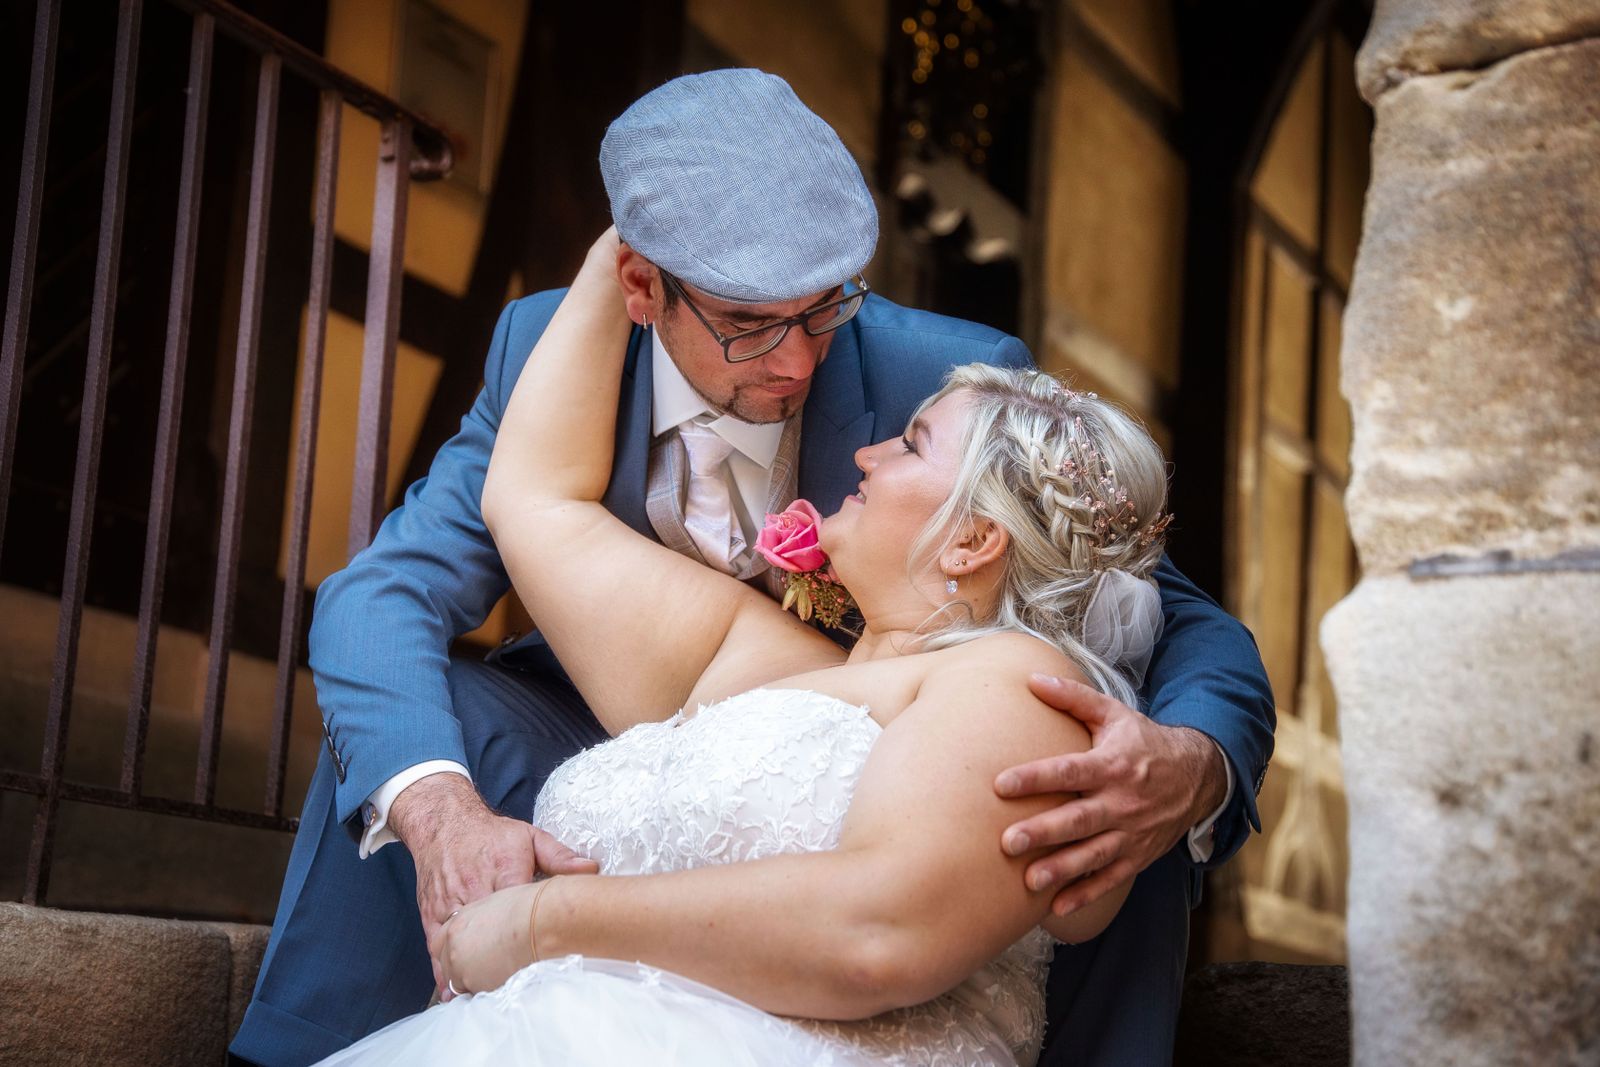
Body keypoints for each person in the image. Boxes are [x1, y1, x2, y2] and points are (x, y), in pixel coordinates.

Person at [229, 69, 1273, 1067]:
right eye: (747, 323)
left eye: (823, 308)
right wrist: (440, 811)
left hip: (900, 779)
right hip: (639, 724)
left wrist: (1188, 767)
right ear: (643, 285)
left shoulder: (954, 381)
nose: (798, 359)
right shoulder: (548, 347)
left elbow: (1177, 619)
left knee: (1100, 790)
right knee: (431, 727)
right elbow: (391, 589)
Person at [316, 226, 1170, 1066]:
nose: (867, 453)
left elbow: (877, 934)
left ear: (973, 541)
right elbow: (535, 504)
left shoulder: (1023, 691)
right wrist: (635, 228)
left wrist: (542, 923)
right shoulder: (765, 658)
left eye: (911, 445)